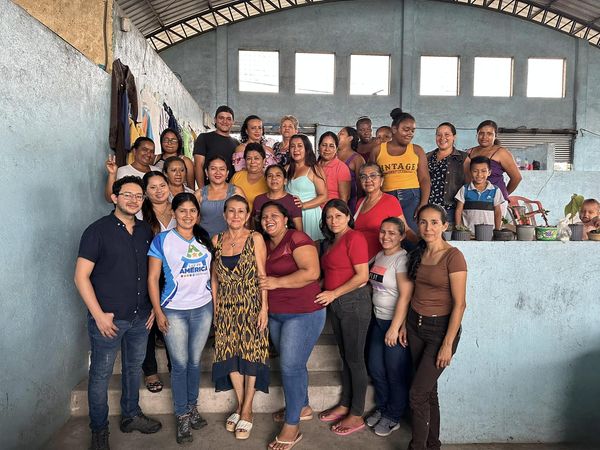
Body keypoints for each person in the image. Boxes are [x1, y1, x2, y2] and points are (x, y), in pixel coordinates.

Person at [74, 176, 162, 450]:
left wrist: (152, 307)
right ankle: (99, 430)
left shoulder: (145, 230)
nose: (134, 200)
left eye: (139, 196)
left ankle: (131, 415)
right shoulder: (97, 231)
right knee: (100, 375)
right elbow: (80, 277)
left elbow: (152, 273)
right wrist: (98, 315)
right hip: (108, 319)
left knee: (133, 369)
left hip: (140, 317)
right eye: (128, 195)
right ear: (114, 198)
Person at [390, 204, 467, 450]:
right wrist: (405, 324)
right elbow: (414, 292)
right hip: (415, 326)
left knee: (417, 394)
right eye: (423, 222)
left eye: (434, 222)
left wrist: (447, 344)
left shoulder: (453, 256)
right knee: (428, 392)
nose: (428, 227)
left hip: (440, 331)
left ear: (445, 225)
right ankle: (433, 445)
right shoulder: (419, 252)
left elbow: (460, 304)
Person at [258, 202, 325, 450]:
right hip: (276, 314)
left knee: (290, 366)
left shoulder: (296, 238)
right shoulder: (264, 243)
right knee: (294, 364)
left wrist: (276, 282)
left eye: (274, 215)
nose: (269, 219)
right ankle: (302, 406)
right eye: (264, 216)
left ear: (286, 219)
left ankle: (292, 425)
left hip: (303, 312)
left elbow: (312, 272)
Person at [147, 193, 213, 444]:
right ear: (173, 213)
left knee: (195, 363)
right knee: (180, 364)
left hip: (203, 309)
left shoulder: (204, 238)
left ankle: (192, 407)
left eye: (192, 210)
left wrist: (214, 306)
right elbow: (153, 278)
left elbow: (212, 275)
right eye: (182, 210)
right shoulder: (162, 240)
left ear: (198, 214)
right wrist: (158, 311)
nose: (187, 215)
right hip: (174, 309)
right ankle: (182, 415)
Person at [211, 195, 269, 440]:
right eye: (231, 211)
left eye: (241, 211)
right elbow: (214, 278)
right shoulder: (216, 240)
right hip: (225, 305)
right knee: (228, 353)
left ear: (247, 216)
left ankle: (247, 409)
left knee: (251, 352)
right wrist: (216, 308)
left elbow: (262, 275)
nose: (236, 215)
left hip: (251, 303)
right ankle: (240, 403)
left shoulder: (255, 238)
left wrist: (264, 308)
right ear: (224, 215)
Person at [316, 199, 370, 436]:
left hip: (353, 303)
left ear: (348, 217)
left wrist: (333, 293)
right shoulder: (331, 242)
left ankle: (357, 414)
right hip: (337, 304)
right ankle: (346, 404)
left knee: (355, 359)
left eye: (338, 216)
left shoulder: (354, 238)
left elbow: (362, 276)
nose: (333, 220)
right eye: (329, 217)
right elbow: (331, 273)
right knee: (346, 356)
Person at [365, 217, 412, 437]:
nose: (386, 236)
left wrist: (395, 327)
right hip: (378, 320)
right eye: (383, 231)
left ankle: (394, 416)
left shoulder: (402, 259)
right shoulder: (380, 256)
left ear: (402, 236)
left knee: (394, 372)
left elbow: (405, 295)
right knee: (376, 368)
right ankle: (383, 408)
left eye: (392, 233)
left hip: (394, 323)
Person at [140, 171, 175, 394]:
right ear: (145, 192)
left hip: (174, 275)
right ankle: (150, 370)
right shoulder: (140, 214)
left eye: (162, 185)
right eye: (152, 187)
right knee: (149, 323)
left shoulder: (180, 209)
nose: (159, 190)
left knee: (172, 323)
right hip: (148, 273)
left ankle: (175, 367)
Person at [373, 108, 431, 233]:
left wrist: (423, 203)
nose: (410, 133)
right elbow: (371, 177)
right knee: (388, 233)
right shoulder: (377, 150)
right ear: (394, 129)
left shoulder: (417, 150)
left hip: (412, 198)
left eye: (412, 130)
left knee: (411, 234)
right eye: (406, 129)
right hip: (385, 197)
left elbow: (424, 179)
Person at [354, 163, 417, 261]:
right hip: (357, 258)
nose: (368, 180)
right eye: (363, 177)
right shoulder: (360, 202)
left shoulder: (390, 201)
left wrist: (422, 245)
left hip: (377, 260)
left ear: (381, 180)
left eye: (373, 175)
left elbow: (405, 229)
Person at [465, 120, 522, 206]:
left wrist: (503, 194)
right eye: (481, 133)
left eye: (489, 134)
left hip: (495, 202)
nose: (484, 137)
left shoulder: (501, 152)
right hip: (473, 200)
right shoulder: (470, 152)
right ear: (477, 135)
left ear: (495, 136)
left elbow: (517, 178)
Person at [286, 134, 328, 241]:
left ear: (307, 149)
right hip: (291, 216)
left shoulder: (314, 169)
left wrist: (303, 205)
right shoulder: (286, 169)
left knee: (312, 247)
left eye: (300, 146)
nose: (296, 149)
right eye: (292, 146)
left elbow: (323, 196)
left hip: (310, 215)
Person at [426, 123, 467, 223]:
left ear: (454, 137)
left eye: (447, 134)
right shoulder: (427, 157)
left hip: (451, 210)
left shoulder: (463, 158)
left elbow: (469, 186)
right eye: (439, 135)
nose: (442, 138)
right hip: (429, 209)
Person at [195, 155, 244, 237]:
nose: (218, 172)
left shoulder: (236, 192)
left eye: (222, 169)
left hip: (231, 240)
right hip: (204, 240)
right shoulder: (199, 194)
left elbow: (244, 219)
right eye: (213, 169)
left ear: (227, 173)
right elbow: (194, 222)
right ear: (206, 172)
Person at [454, 156, 505, 233]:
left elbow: (498, 212)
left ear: (489, 172)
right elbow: (458, 210)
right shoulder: (464, 189)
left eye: (483, 171)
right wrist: (459, 229)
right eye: (475, 171)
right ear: (470, 172)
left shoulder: (495, 190)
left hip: (489, 233)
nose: (479, 174)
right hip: (468, 233)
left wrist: (497, 230)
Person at [193, 105, 239, 187]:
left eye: (228, 119)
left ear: (233, 122)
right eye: (221, 118)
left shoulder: (237, 144)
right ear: (215, 120)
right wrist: (202, 190)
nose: (225, 121)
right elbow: (198, 165)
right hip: (209, 189)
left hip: (231, 190)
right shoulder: (204, 138)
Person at [104, 137, 159, 202]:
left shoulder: (158, 171)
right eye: (144, 150)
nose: (149, 154)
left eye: (152, 151)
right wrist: (112, 174)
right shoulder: (122, 171)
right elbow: (110, 199)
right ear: (134, 151)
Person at [252, 164, 303, 231]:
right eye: (270, 176)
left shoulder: (293, 201)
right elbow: (253, 225)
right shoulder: (258, 200)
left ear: (285, 181)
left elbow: (299, 230)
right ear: (266, 180)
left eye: (278, 175)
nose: (274, 178)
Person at [231, 143, 269, 212]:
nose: (252, 162)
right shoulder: (237, 176)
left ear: (264, 161)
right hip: (237, 217)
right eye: (249, 158)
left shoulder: (269, 179)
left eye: (256, 158)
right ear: (245, 160)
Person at [337, 126, 365, 214]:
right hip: (331, 198)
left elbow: (360, 186)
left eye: (341, 134)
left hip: (351, 202)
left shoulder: (357, 159)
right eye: (338, 133)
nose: (337, 135)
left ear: (350, 138)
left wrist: (358, 205)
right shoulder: (331, 155)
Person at [317, 131, 351, 204]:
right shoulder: (314, 166)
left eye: (331, 146)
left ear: (336, 149)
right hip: (312, 208)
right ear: (319, 147)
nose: (327, 149)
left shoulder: (341, 168)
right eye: (324, 145)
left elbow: (344, 199)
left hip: (331, 209)